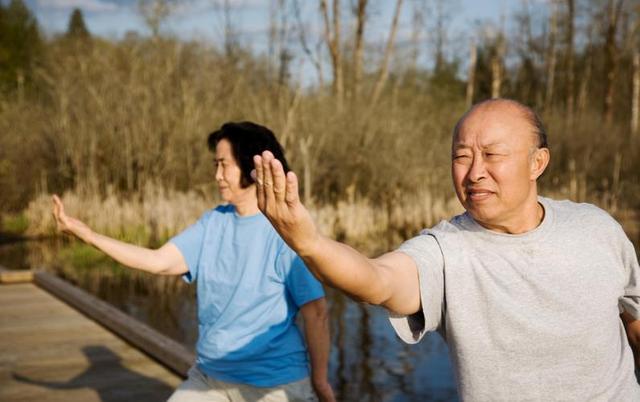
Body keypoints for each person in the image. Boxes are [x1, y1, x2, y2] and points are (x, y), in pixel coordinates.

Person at [253, 99, 640, 400]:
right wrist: (310, 243)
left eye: (492, 155)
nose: (474, 172)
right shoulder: (444, 251)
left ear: (537, 162)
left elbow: (633, 317)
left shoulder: (596, 228)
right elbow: (377, 281)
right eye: (461, 156)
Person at [52, 122, 335, 402]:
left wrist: (320, 381)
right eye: (216, 165)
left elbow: (316, 313)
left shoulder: (285, 232)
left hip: (274, 384)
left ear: (251, 164)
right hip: (211, 377)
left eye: (224, 164)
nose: (217, 175)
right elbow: (157, 261)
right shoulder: (213, 222)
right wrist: (88, 235)